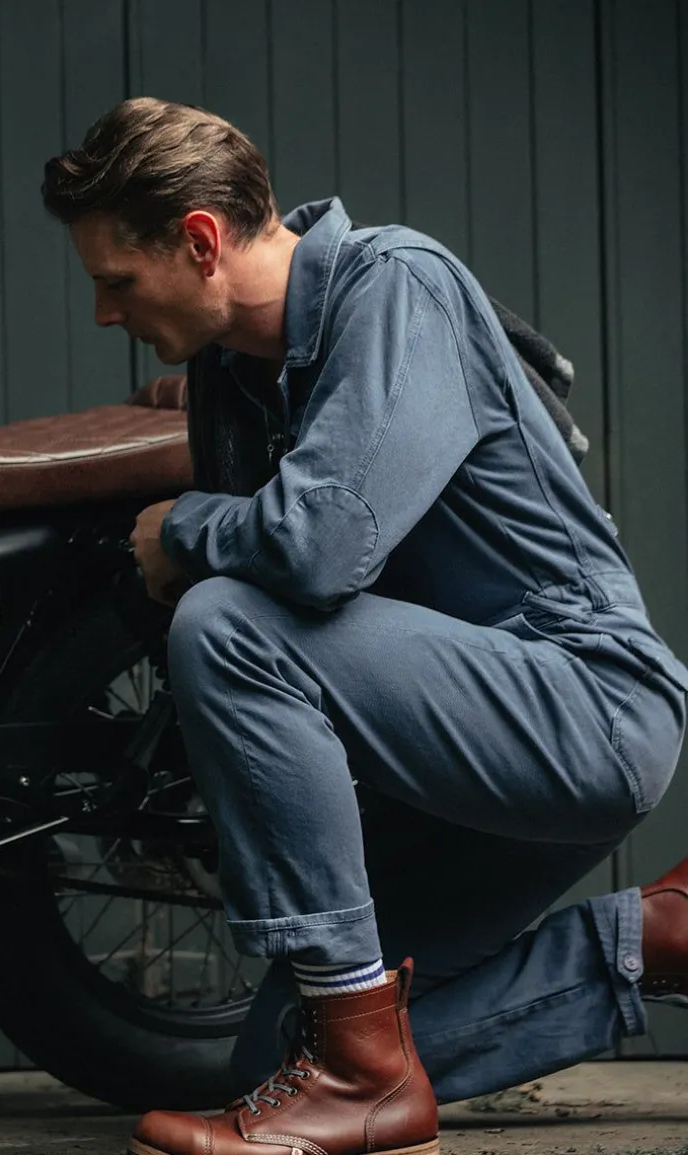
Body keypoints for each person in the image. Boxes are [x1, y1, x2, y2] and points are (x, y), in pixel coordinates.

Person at [43, 98, 688, 1155]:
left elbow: (319, 548)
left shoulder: (395, 285)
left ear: (199, 241)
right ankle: (647, 943)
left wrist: (185, 528)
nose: (106, 312)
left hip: (582, 704)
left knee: (227, 621)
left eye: (118, 280)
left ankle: (359, 1071)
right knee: (273, 1059)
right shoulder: (233, 372)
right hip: (451, 763)